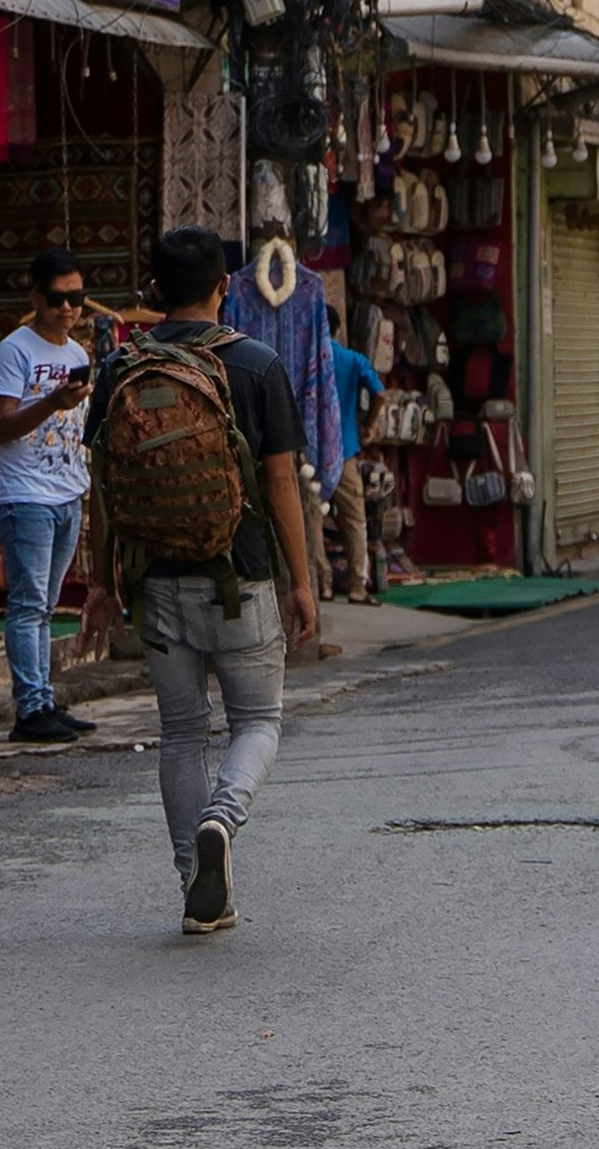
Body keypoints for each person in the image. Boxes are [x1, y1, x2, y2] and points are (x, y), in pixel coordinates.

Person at [83, 227, 317, 937]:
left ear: (154, 289)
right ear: (225, 285)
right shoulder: (255, 364)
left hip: (153, 577)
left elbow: (101, 486)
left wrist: (99, 582)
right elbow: (281, 481)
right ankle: (223, 816)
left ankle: (196, 881)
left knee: (182, 730)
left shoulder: (119, 367)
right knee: (258, 719)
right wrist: (301, 580)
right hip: (240, 573)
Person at [0, 250, 101, 745]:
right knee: (28, 605)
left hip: (67, 493)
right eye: (57, 299)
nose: (68, 309)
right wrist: (51, 401)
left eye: (76, 299)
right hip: (25, 495)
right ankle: (30, 707)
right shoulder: (14, 351)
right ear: (36, 298)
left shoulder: (75, 353)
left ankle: (44, 699)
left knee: (46, 606)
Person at [316, 325, 383, 601]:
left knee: (313, 520)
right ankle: (358, 585)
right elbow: (379, 393)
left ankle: (324, 583)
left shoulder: (308, 359)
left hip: (313, 449)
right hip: (344, 449)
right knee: (354, 518)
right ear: (339, 329)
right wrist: (369, 424)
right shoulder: (353, 359)